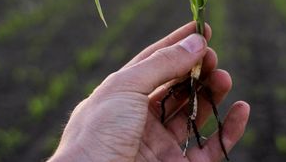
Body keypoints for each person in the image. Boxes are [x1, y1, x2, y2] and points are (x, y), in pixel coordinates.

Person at [48, 22, 250, 162]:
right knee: (205, 96)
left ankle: (198, 135)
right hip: (190, 79)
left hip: (192, 78)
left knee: (208, 96)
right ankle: (197, 136)